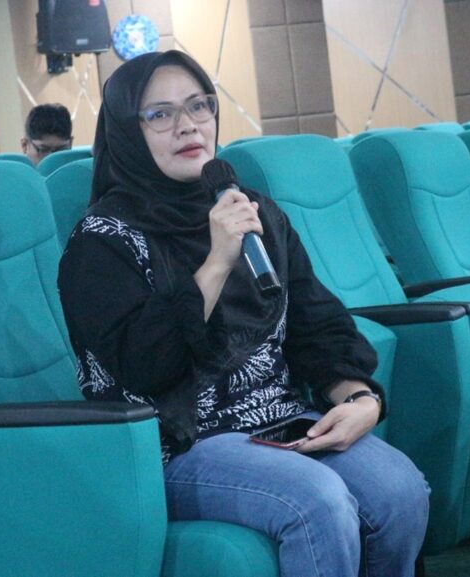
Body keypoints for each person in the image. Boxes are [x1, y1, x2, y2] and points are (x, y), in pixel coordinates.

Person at [57, 50, 429, 577]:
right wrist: (216, 262)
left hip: (276, 421)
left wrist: (359, 398)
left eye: (198, 106)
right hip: (171, 444)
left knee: (400, 490)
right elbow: (146, 367)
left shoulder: (255, 214)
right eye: (160, 114)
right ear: (126, 132)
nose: (187, 125)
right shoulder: (100, 242)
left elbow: (318, 326)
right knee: (317, 500)